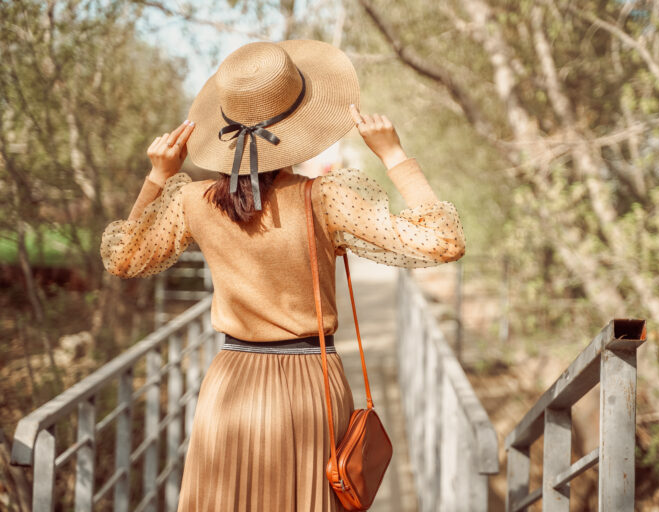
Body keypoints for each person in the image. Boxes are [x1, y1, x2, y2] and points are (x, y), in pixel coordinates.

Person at [100, 40, 465, 511]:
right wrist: (394, 154)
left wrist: (157, 176)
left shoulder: (192, 201)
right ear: (300, 123)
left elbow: (122, 257)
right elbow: (444, 240)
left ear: (225, 132)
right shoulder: (324, 197)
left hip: (229, 387)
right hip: (308, 387)